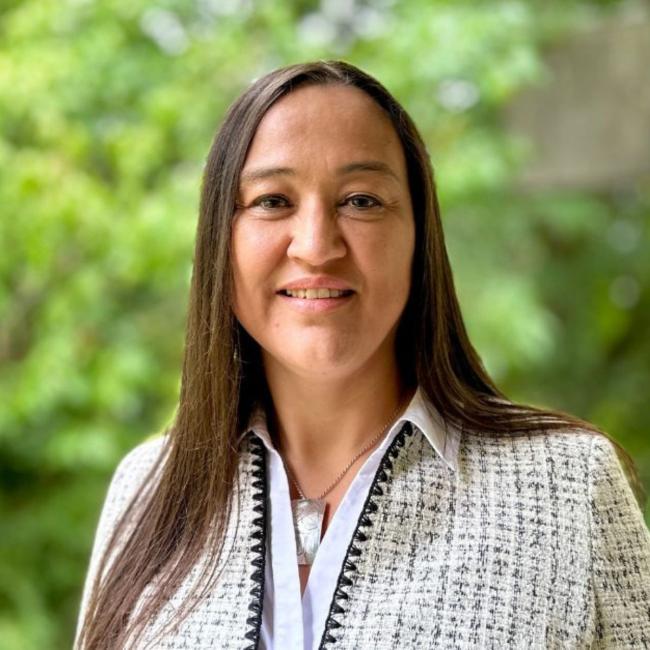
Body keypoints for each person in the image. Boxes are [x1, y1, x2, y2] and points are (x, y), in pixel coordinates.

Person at [75, 60, 650, 650]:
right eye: (273, 201)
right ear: (221, 240)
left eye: (361, 201)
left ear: (419, 237)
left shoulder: (568, 486)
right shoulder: (145, 491)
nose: (317, 246)